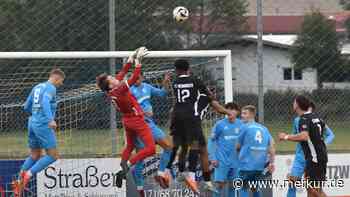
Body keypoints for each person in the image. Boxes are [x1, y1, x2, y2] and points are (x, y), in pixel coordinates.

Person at [169, 59, 234, 194]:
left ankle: (197, 178)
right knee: (197, 147)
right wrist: (229, 112)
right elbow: (218, 108)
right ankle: (193, 177)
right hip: (193, 122)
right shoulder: (204, 96)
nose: (213, 93)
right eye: (212, 92)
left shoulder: (179, 85)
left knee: (200, 150)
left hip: (181, 120)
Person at [96, 47, 155, 174]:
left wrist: (130, 60)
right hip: (136, 120)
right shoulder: (119, 89)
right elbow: (133, 79)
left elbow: (122, 72)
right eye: (111, 78)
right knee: (151, 149)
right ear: (111, 85)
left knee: (130, 145)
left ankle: (122, 164)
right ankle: (127, 165)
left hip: (127, 120)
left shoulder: (111, 90)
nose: (114, 77)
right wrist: (138, 61)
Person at [12, 68, 65, 196]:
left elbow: (26, 106)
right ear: (56, 78)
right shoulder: (51, 88)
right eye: (61, 81)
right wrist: (50, 119)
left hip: (32, 123)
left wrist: (35, 115)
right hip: (43, 125)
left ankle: (19, 181)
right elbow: (45, 102)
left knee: (35, 155)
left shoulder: (37, 86)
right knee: (53, 155)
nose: (61, 84)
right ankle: (27, 175)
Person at [130, 72, 173, 194]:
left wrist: (165, 82)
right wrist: (143, 113)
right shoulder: (130, 91)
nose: (136, 80)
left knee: (168, 147)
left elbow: (162, 93)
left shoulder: (147, 87)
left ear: (142, 77)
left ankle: (160, 173)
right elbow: (127, 112)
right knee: (141, 157)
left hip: (150, 124)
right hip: (140, 125)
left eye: (138, 77)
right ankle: (141, 189)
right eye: (133, 78)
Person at [279, 95, 328, 197]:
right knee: (312, 190)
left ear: (297, 105)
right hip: (321, 156)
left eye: (294, 102)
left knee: (314, 190)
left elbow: (304, 136)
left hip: (314, 159)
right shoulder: (317, 118)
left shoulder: (304, 118)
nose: (293, 104)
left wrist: (286, 137)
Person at [236, 105, 275, 197]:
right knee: (255, 188)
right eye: (242, 113)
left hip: (246, 166)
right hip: (259, 166)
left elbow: (237, 146)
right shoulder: (264, 128)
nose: (242, 115)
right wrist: (271, 163)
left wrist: (238, 155)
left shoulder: (244, 127)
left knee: (242, 188)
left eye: (245, 113)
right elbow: (272, 145)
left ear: (252, 115)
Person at [208, 102, 244, 197]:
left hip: (237, 161)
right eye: (228, 109)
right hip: (222, 160)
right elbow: (212, 141)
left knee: (234, 186)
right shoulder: (219, 124)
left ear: (237, 112)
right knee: (219, 185)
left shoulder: (242, 125)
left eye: (233, 109)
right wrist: (213, 158)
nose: (230, 111)